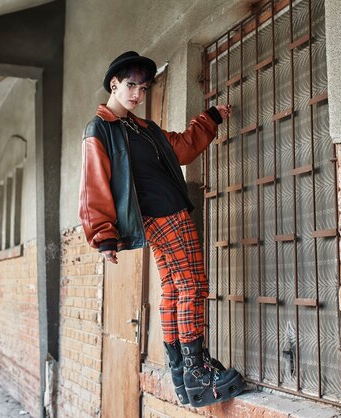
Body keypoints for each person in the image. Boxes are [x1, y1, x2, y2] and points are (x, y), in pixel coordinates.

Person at [78, 51, 244, 407]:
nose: (137, 93)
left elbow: (182, 148)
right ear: (114, 84)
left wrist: (211, 118)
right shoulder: (101, 129)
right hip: (163, 214)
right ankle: (198, 372)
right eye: (131, 85)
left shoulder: (143, 129)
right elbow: (94, 183)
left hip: (166, 211)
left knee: (173, 287)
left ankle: (182, 372)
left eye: (143, 86)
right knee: (192, 285)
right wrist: (103, 235)